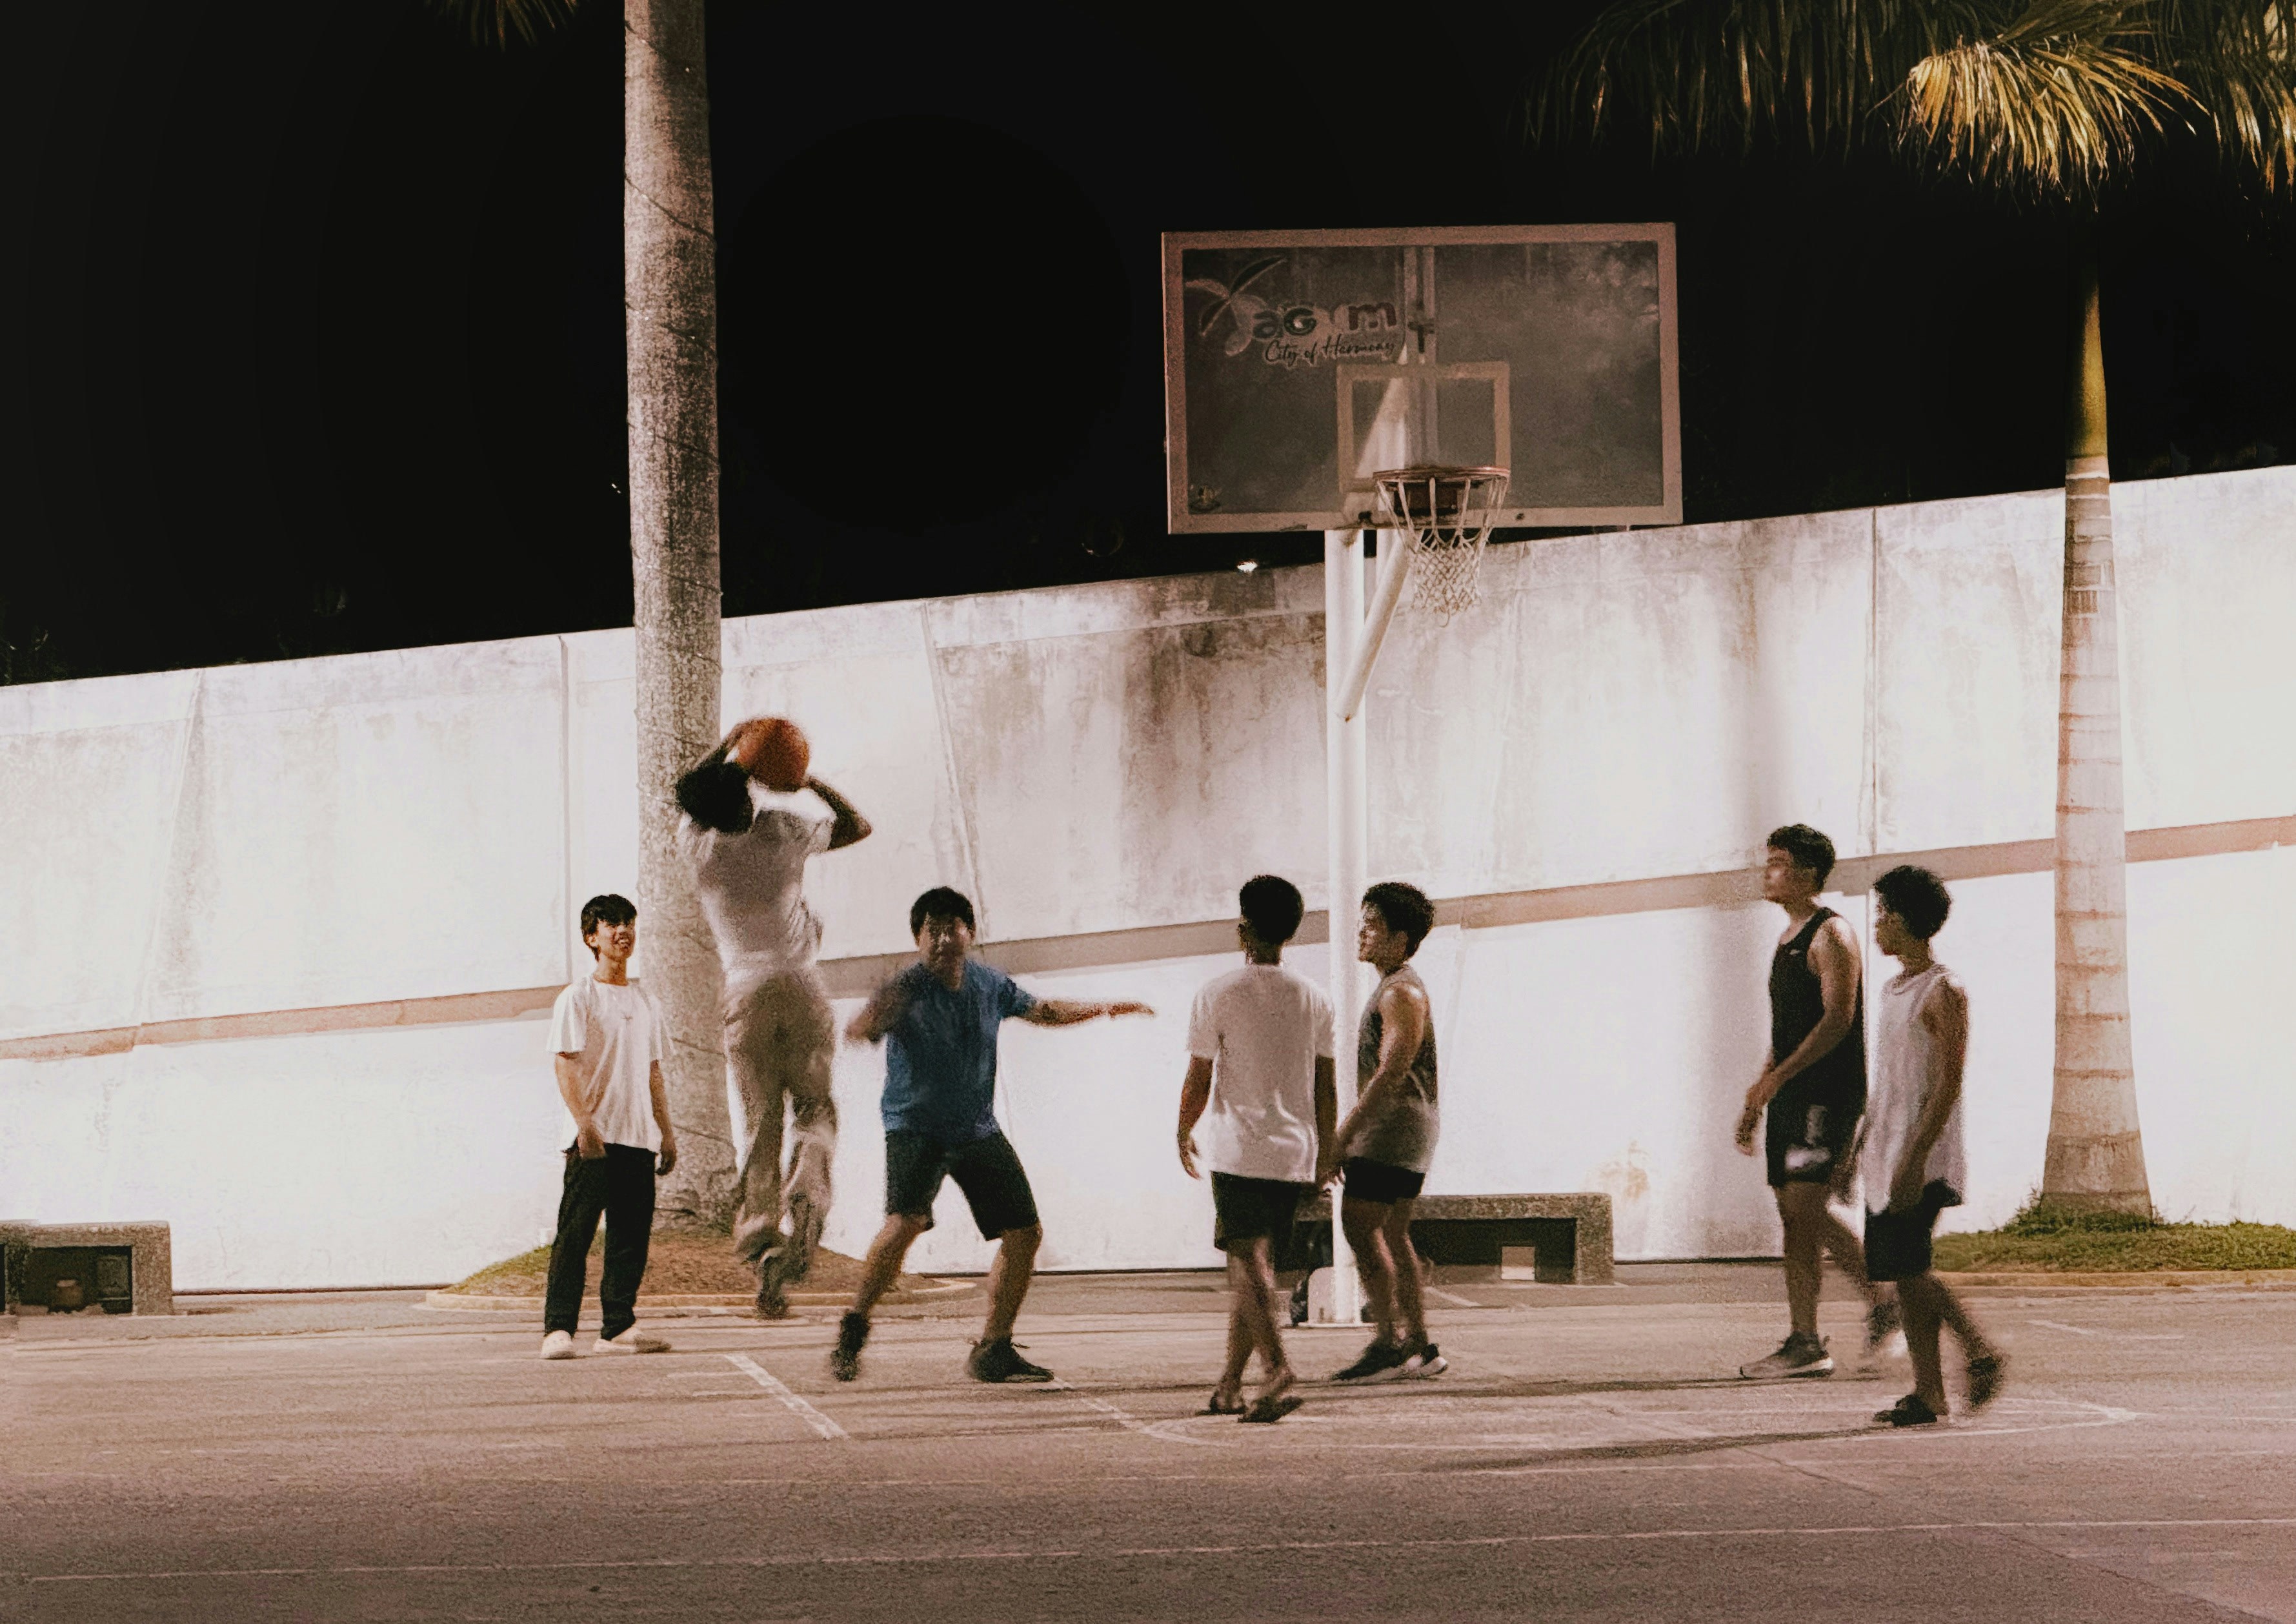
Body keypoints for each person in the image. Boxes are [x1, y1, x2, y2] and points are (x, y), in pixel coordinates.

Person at [832, 886, 1153, 1383]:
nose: (942, 938)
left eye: (952, 927)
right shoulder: (907, 988)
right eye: (931, 929)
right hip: (915, 1127)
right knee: (906, 1223)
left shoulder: (988, 984)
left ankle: (994, 1348)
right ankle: (855, 1324)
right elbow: (858, 1030)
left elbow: (1043, 1010)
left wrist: (1105, 1007)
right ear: (918, 939)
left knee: (1024, 1233)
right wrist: (874, 1012)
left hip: (976, 1128)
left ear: (970, 933)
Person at [676, 719, 872, 1318]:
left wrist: (730, 749)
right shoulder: (783, 830)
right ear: (755, 793)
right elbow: (857, 826)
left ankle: (762, 1240)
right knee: (814, 1111)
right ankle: (807, 1200)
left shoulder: (699, 848)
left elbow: (687, 791)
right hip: (802, 987)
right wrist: (803, 777)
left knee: (761, 1122)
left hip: (746, 993)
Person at [1735, 824, 1895, 1379]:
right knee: (1795, 1214)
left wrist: (1778, 1080)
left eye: (1778, 863)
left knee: (1806, 1207)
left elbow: (1836, 1023)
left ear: (1806, 873)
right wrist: (1759, 1095)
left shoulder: (1833, 935)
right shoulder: (1787, 939)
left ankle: (1883, 1303)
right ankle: (1807, 1340)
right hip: (1791, 1095)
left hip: (1823, 1100)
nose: (1768, 872)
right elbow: (1787, 1033)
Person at [1178, 875, 1336, 1423]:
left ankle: (1276, 1368)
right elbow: (1326, 1084)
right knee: (1254, 1268)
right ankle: (1227, 1388)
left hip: (1240, 1149)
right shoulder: (1315, 998)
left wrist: (1182, 1129)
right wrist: (1328, 1150)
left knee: (1247, 1266)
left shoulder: (1218, 992)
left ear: (1243, 927)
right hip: (1295, 1152)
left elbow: (1199, 1076)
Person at [1858, 865, 2006, 1426]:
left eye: (1886, 914)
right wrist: (1865, 1144)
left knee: (1911, 1268)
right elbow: (1889, 1080)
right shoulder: (1893, 989)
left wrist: (1916, 1157)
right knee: (1904, 1272)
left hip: (1921, 1155)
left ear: (1908, 919)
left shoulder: (1944, 991)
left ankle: (1979, 1350)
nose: (1878, 925)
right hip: (1885, 1150)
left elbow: (1947, 1083)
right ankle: (1929, 1393)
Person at [540, 895, 678, 1359]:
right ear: (591, 937)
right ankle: (558, 1330)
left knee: (629, 1240)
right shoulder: (577, 997)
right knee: (574, 1237)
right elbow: (566, 1065)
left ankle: (618, 1327)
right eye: (612, 924)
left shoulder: (646, 1000)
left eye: (629, 922)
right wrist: (585, 1125)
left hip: (638, 1139)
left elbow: (654, 1071)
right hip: (593, 1140)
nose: (623, 931)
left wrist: (668, 1132)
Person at [1331, 881, 1447, 1383]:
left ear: (1401, 939)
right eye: (1364, 920)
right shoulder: (1399, 985)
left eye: (1373, 923)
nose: (1362, 931)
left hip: (1392, 1131)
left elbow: (1393, 1066)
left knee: (1360, 1225)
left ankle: (1387, 1341)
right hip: (1411, 1131)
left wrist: (1345, 1133)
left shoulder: (1401, 991)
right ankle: (1420, 1344)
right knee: (1394, 1234)